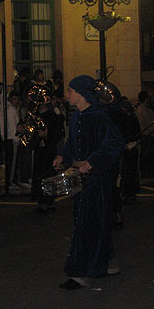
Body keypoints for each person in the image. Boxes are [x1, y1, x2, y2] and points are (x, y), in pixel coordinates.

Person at [53, 75, 124, 290]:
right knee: (91, 220)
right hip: (81, 178)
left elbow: (115, 144)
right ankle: (107, 261)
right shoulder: (76, 117)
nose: (67, 95)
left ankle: (81, 272)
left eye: (71, 91)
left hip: (98, 179)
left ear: (82, 94)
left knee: (88, 223)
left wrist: (92, 162)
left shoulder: (99, 117)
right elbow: (71, 143)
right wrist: (62, 157)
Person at [32, 90, 65, 213]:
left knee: (49, 175)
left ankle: (49, 202)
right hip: (39, 150)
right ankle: (41, 201)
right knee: (39, 175)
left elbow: (58, 134)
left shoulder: (53, 115)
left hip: (49, 149)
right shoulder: (34, 115)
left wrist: (46, 134)